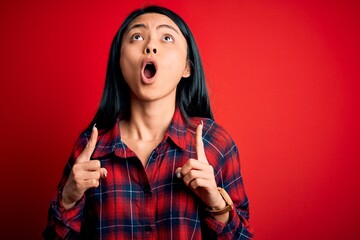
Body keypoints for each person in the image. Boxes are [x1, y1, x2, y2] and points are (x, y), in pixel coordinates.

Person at [43, 5, 253, 239]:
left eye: (166, 37)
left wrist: (216, 205)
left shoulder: (214, 142)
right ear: (120, 63)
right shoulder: (89, 150)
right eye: (137, 36)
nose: (150, 46)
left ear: (186, 67)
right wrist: (69, 200)